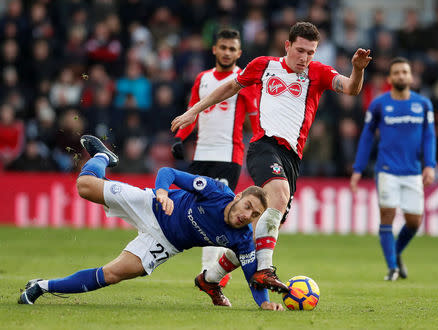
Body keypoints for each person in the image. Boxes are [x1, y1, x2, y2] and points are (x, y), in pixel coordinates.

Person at [171, 22, 372, 293]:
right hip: (263, 146)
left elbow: (351, 88)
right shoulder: (264, 65)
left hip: (292, 156)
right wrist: (194, 110)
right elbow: (230, 87)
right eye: (300, 50)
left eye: (311, 52)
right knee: (279, 192)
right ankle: (264, 270)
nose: (305, 58)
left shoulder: (319, 72)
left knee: (258, 229)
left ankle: (210, 278)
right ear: (287, 45)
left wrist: (357, 69)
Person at [18, 135, 285, 310]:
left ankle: (41, 286)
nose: (246, 215)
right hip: (151, 206)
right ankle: (102, 157)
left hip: (165, 243)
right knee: (85, 186)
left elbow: (254, 277)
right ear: (238, 197)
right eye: (247, 206)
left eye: (253, 215)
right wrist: (162, 192)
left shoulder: (241, 238)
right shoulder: (215, 191)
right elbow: (168, 172)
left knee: (112, 274)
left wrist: (264, 304)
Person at [171, 28, 257, 287]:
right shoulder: (203, 78)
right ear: (215, 49)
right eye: (224, 47)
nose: (227, 52)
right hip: (201, 155)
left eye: (232, 49)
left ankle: (211, 275)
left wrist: (261, 143)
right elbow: (192, 112)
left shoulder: (243, 80)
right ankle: (212, 274)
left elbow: (255, 117)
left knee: (218, 212)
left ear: (239, 53)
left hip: (228, 156)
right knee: (195, 211)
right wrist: (180, 138)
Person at [350, 57, 436, 281]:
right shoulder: (379, 104)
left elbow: (429, 137)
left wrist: (430, 165)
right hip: (387, 169)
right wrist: (358, 168)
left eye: (404, 72)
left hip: (413, 171)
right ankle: (392, 269)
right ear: (389, 78)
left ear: (411, 77)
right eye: (396, 72)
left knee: (414, 222)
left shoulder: (423, 104)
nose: (401, 76)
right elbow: (367, 137)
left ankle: (396, 253)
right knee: (387, 216)